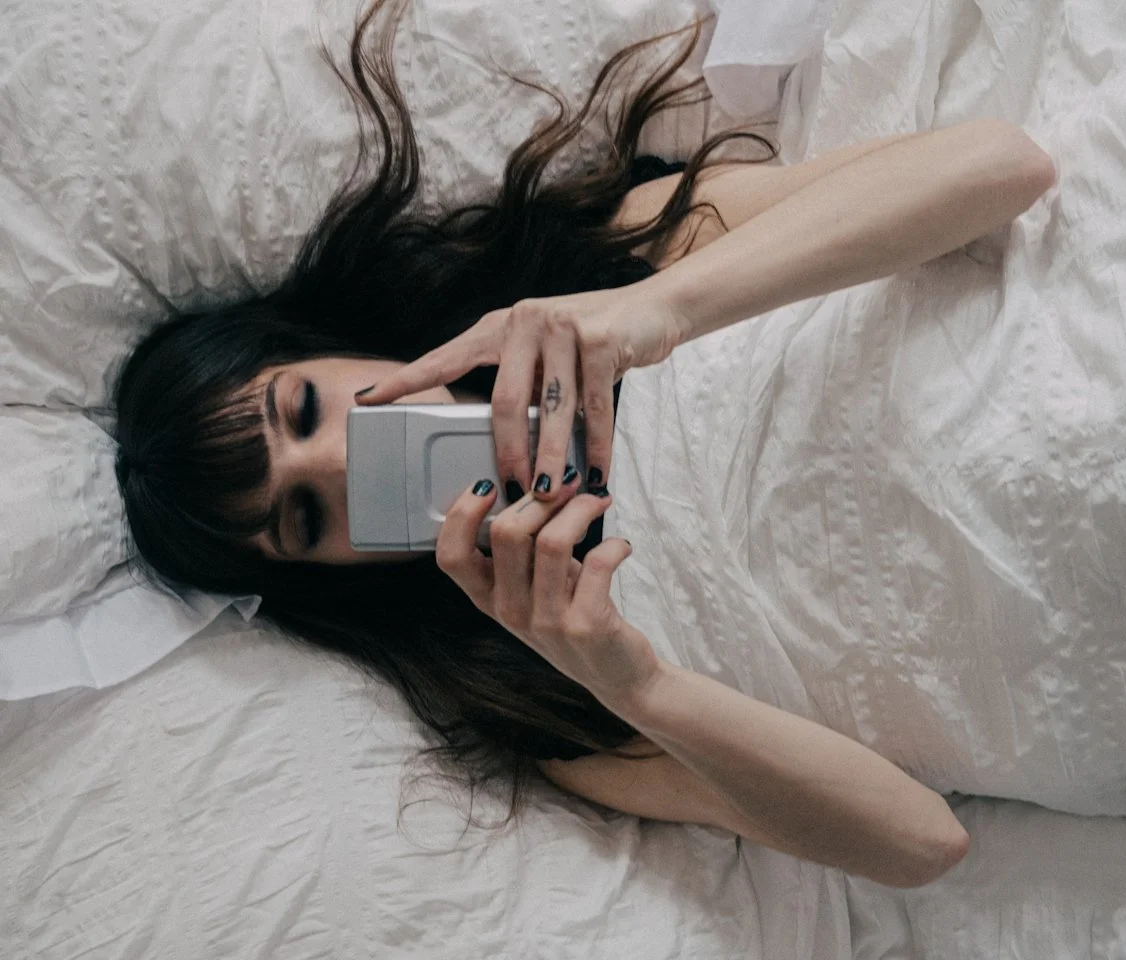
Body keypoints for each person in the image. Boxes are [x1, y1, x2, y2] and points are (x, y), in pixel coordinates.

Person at [114, 0, 1054, 887]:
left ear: (321, 348)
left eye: (305, 411)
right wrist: (630, 680)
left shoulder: (594, 262)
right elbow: (922, 844)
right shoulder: (524, 689)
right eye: (306, 515)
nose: (341, 463)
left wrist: (655, 307)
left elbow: (1001, 168)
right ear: (332, 571)